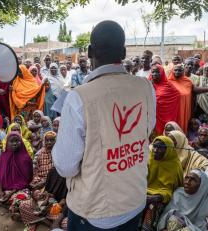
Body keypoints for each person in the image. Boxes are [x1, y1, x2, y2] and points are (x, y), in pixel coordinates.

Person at [52, 20, 156, 230]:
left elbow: (65, 166)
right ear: (124, 52)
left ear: (90, 51)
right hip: (134, 202)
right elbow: (147, 130)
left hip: (93, 212)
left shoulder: (79, 97)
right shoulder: (145, 87)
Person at [143, 136, 183, 230]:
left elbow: (172, 190)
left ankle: (146, 228)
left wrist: (157, 196)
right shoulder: (149, 159)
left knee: (152, 205)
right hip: (145, 189)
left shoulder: (174, 165)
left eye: (160, 148)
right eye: (154, 146)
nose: (155, 150)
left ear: (168, 150)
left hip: (164, 194)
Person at [0, 131, 33, 196]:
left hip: (19, 189)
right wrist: (0, 192)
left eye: (17, 141)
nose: (14, 144)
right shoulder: (3, 157)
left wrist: (10, 193)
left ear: (21, 142)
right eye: (11, 141)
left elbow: (26, 180)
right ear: (7, 143)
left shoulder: (25, 158)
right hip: (2, 189)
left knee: (23, 202)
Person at [148, 64, 180, 135]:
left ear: (162, 73)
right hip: (151, 115)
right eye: (153, 72)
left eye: (157, 72)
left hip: (164, 115)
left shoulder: (168, 85)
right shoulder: (148, 83)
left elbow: (177, 95)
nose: (154, 74)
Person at [167, 64, 193, 132]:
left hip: (184, 109)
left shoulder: (188, 82)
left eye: (180, 70)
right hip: (172, 110)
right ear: (172, 71)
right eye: (175, 70)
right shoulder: (168, 82)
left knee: (181, 126)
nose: (177, 72)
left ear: (183, 71)